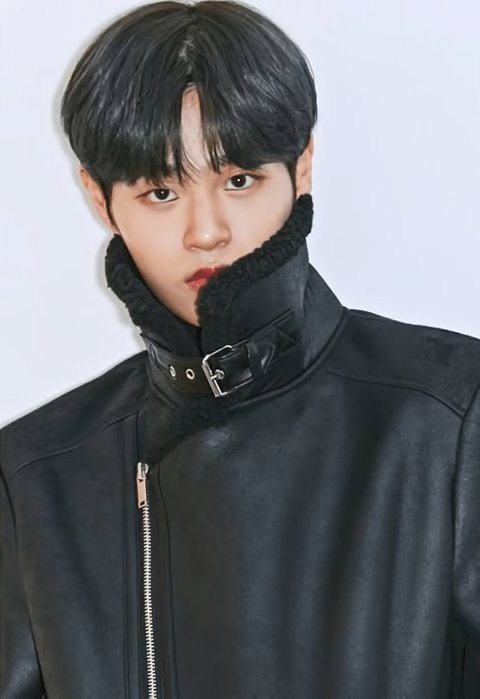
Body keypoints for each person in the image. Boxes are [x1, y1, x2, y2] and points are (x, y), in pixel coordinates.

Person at [1, 1, 479, 697]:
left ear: (301, 167)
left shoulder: (450, 416)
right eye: (160, 191)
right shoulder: (37, 476)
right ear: (100, 200)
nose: (207, 230)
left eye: (239, 180)